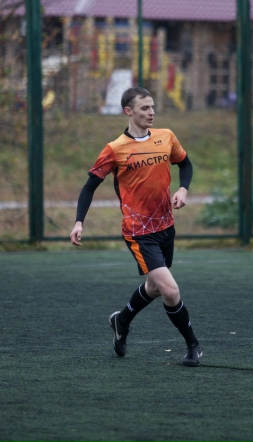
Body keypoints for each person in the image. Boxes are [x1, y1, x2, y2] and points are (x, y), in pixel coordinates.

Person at [69, 87, 202, 367]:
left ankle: (122, 320)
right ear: (128, 111)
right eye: (144, 108)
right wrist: (79, 222)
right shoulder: (115, 149)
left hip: (166, 226)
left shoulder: (166, 137)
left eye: (152, 107)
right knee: (170, 290)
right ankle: (193, 345)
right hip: (139, 232)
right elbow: (89, 187)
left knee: (154, 287)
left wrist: (183, 189)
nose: (151, 112)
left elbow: (186, 164)